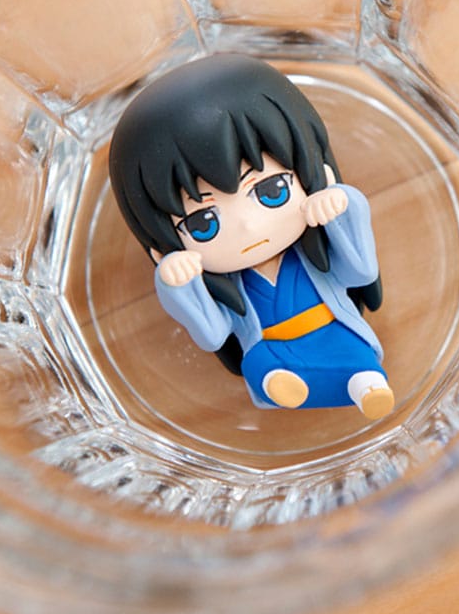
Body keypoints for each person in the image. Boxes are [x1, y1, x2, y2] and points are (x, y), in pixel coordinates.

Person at [108, 54, 393, 419]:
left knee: (355, 356)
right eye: (203, 224)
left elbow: (360, 272)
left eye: (272, 191)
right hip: (273, 353)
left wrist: (340, 209)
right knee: (260, 361)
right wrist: (179, 284)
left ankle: (366, 386)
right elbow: (213, 335)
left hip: (332, 330)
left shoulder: (315, 258)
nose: (247, 226)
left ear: (315, 171)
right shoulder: (232, 288)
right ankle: (282, 385)